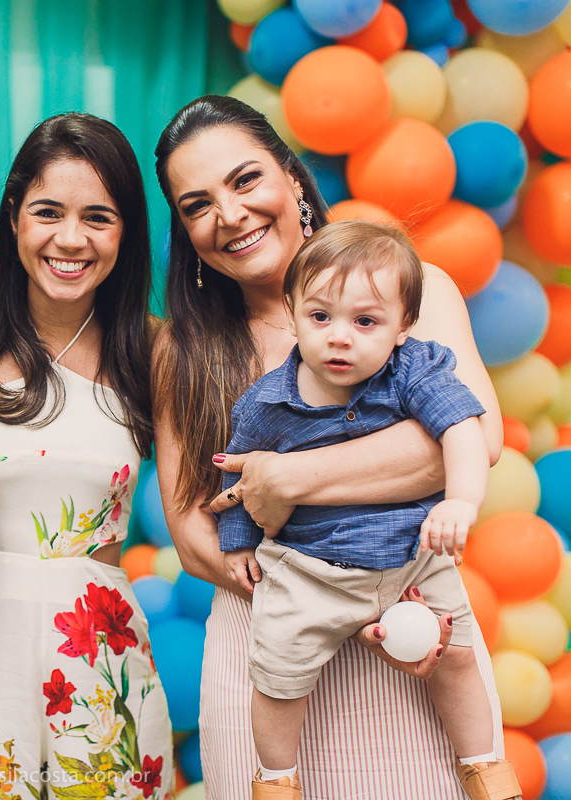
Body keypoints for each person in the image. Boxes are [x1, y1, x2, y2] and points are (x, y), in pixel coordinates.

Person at [152, 95, 509, 800]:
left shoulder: (413, 289)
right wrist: (308, 596)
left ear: (291, 177)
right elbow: (193, 527)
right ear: (185, 231)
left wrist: (286, 479)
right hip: (268, 645)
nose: (229, 214)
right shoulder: (181, 348)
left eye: (245, 180)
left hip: (414, 624)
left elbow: (472, 440)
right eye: (197, 204)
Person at [0, 113, 174, 799]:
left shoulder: (155, 353)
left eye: (98, 217)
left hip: (102, 675)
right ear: (13, 218)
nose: (70, 239)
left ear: (127, 230)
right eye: (48, 212)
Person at [216, 220, 514, 799]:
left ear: (404, 327)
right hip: (308, 570)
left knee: (457, 654)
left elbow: (464, 431)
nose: (340, 337)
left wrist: (461, 501)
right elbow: (237, 474)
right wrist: (238, 543)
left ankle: (485, 766)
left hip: (413, 559)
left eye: (366, 322)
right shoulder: (265, 402)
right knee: (278, 679)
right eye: (320, 317)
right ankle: (277, 778)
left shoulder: (416, 370)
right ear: (293, 312)